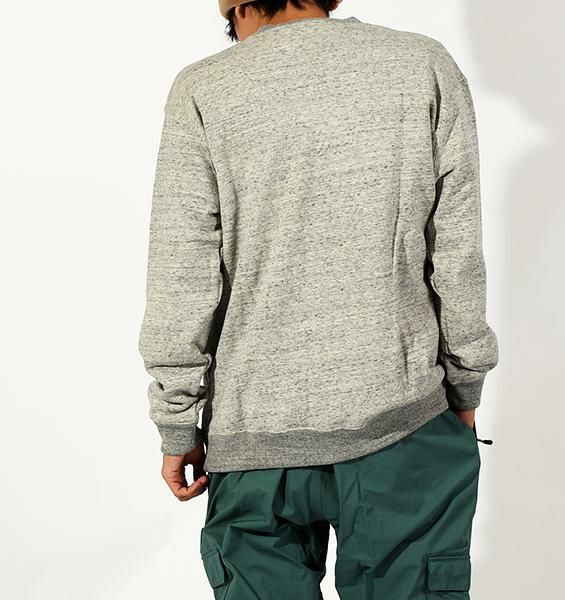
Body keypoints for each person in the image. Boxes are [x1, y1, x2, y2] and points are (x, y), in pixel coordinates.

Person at [137, 1, 499, 598]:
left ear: (237, 7)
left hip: (254, 446)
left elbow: (183, 274)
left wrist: (177, 422)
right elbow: (456, 253)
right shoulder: (420, 65)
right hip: (405, 429)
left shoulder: (204, 89)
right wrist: (465, 385)